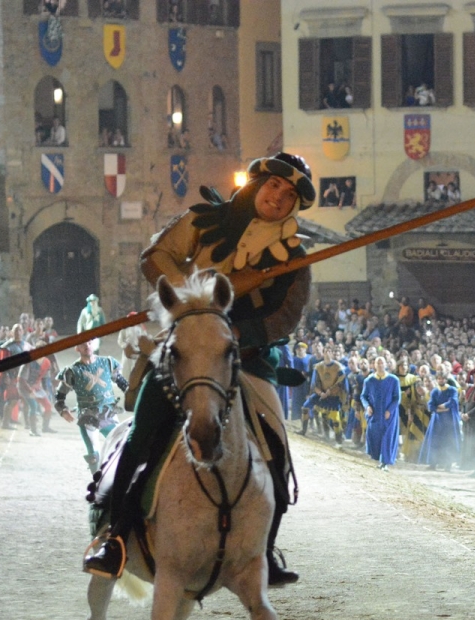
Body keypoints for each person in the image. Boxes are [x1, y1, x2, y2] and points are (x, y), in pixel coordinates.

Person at [83, 152, 318, 585]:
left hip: (247, 363)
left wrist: (234, 335)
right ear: (256, 183)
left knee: (275, 448)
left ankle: (265, 551)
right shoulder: (202, 221)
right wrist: (193, 305)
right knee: (142, 435)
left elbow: (286, 316)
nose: (278, 198)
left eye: (289, 195)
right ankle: (115, 537)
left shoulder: (294, 258)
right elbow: (156, 257)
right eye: (273, 185)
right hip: (184, 353)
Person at [55, 338, 129, 474]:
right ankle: (96, 484)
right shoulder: (72, 371)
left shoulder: (107, 363)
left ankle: (119, 478)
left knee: (121, 446)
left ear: (94, 344)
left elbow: (123, 383)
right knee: (93, 455)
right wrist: (63, 410)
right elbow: (59, 396)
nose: (87, 346)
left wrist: (133, 396)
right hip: (87, 416)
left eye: (89, 343)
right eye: (83, 343)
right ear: (77, 348)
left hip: (108, 414)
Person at [361, 356, 400, 470]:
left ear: (386, 364)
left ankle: (385, 462)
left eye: (382, 363)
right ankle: (379, 459)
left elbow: (397, 398)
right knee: (376, 436)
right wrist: (367, 406)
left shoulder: (393, 380)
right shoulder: (369, 380)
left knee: (387, 437)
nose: (380, 365)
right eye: (377, 363)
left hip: (389, 414)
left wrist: (390, 410)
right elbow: (363, 396)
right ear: (374, 365)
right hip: (375, 413)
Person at [420, 370, 460, 470]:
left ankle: (448, 464)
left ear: (446, 379)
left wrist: (444, 406)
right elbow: (430, 405)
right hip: (437, 420)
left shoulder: (452, 390)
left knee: (448, 441)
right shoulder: (435, 391)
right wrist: (439, 409)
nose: (441, 380)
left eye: (442, 378)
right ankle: (433, 463)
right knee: (435, 441)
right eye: (439, 378)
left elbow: (453, 401)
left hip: (449, 420)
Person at [307, 347, 348, 445]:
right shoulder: (319, 367)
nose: (328, 353)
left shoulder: (339, 367)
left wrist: (344, 397)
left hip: (335, 396)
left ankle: (339, 438)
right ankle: (326, 435)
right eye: (326, 351)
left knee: (336, 418)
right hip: (322, 394)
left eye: (330, 351)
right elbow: (314, 383)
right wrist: (320, 393)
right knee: (323, 414)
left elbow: (342, 383)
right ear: (323, 353)